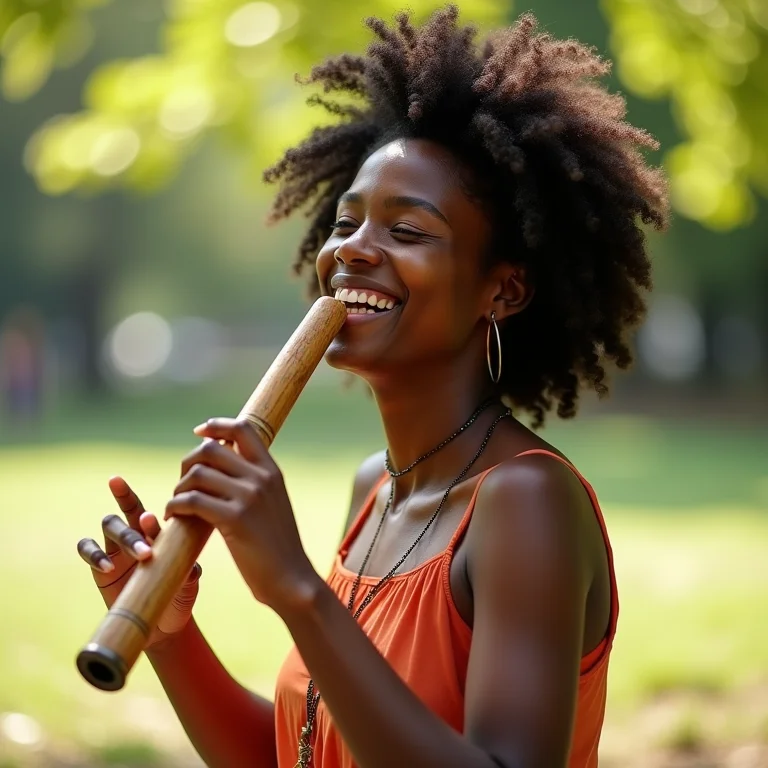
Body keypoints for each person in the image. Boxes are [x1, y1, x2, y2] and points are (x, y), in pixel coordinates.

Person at [76, 7, 668, 767]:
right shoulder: (374, 489)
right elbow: (296, 753)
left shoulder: (526, 503)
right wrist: (169, 636)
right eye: (346, 223)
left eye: (407, 230)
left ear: (505, 290)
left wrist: (297, 588)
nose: (353, 250)